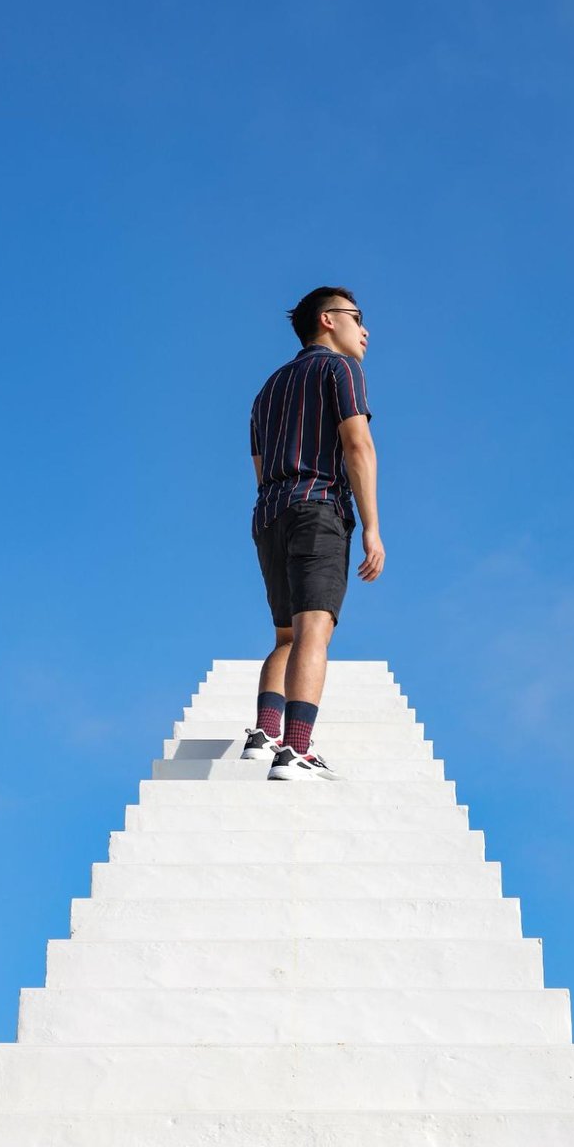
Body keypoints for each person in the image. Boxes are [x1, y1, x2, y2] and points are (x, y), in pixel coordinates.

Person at [243, 286, 385, 780]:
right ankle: (296, 749)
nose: (365, 330)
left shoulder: (266, 391)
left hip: (269, 515)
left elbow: (260, 469)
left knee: (285, 634)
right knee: (313, 629)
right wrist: (371, 527)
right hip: (318, 504)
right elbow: (357, 445)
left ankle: (264, 732)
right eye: (357, 317)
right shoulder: (340, 369)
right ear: (327, 320)